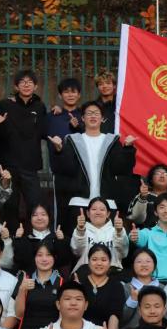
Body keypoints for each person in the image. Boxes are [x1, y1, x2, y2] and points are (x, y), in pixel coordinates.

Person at [50, 101, 138, 236]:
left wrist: (127, 149)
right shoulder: (72, 140)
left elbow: (121, 169)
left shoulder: (112, 141)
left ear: (102, 118)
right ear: (82, 118)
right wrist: (59, 150)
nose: (93, 116)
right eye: (89, 113)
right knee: (77, 244)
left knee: (107, 245)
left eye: (96, 113)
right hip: (79, 202)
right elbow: (66, 169)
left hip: (106, 203)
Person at [0, 69, 48, 226]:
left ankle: (33, 236)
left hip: (30, 166)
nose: (26, 85)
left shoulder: (40, 106)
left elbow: (44, 130)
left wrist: (57, 111)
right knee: (10, 206)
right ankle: (11, 236)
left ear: (36, 86)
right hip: (9, 165)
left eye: (30, 82)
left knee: (35, 205)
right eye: (22, 82)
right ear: (16, 86)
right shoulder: (5, 104)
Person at [14, 241, 64, 329]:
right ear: (34, 258)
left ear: (54, 257)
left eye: (48, 255)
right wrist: (22, 289)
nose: (44, 259)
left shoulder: (62, 282)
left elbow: (64, 316)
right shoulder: (25, 279)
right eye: (39, 255)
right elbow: (19, 314)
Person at [77, 243, 125, 329]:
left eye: (104, 260)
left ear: (110, 263)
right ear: (88, 262)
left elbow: (114, 315)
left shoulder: (116, 286)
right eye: (94, 259)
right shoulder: (79, 283)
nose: (99, 263)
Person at [71, 197, 130, 271]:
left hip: (112, 274)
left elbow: (124, 253)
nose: (98, 212)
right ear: (88, 213)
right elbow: (76, 251)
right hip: (86, 274)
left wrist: (119, 233)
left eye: (102, 210)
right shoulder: (81, 230)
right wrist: (80, 230)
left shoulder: (116, 231)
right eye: (94, 209)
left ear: (108, 214)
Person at [12, 203, 71, 274]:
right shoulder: (24, 238)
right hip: (29, 279)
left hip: (54, 279)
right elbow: (19, 262)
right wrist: (18, 239)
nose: (39, 218)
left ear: (49, 217)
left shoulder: (58, 237)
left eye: (43, 214)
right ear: (30, 218)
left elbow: (64, 261)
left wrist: (61, 241)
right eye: (35, 215)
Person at [46, 77, 84, 177]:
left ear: (79, 95)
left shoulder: (85, 116)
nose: (70, 95)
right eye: (66, 92)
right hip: (59, 170)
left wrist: (78, 126)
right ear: (60, 95)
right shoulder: (51, 117)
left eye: (73, 92)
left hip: (83, 170)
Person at [129, 163, 167, 229]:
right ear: (151, 179)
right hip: (146, 234)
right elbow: (135, 219)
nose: (162, 176)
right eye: (158, 173)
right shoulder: (140, 197)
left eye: (166, 174)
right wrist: (142, 198)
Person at [121, 248, 161, 326]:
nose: (144, 265)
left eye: (148, 261)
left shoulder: (162, 288)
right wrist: (132, 300)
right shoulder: (125, 288)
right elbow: (121, 319)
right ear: (133, 265)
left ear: (154, 265)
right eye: (139, 262)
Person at [94, 69, 118, 133]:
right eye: (101, 84)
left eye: (108, 83)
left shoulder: (121, 104)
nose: (104, 86)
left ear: (114, 86)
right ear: (97, 87)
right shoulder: (94, 107)